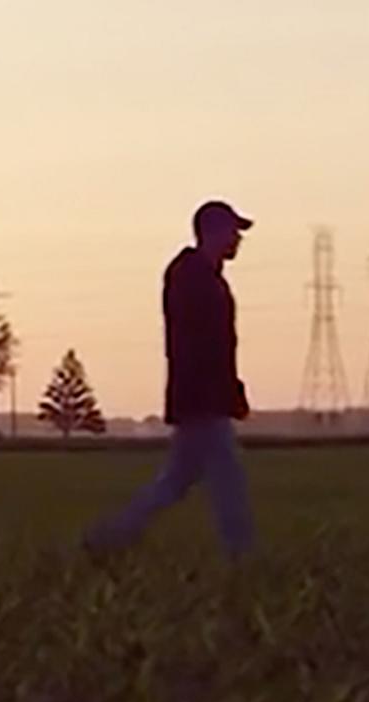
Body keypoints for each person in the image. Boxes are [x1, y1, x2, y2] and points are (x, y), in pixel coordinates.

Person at [84, 200, 257, 562]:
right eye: (232, 231)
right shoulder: (192, 277)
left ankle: (108, 538)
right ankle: (241, 556)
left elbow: (219, 346)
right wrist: (219, 393)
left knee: (174, 484)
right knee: (228, 483)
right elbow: (197, 344)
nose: (237, 239)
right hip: (201, 399)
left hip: (203, 397)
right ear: (212, 232)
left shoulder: (205, 276)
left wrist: (231, 389)